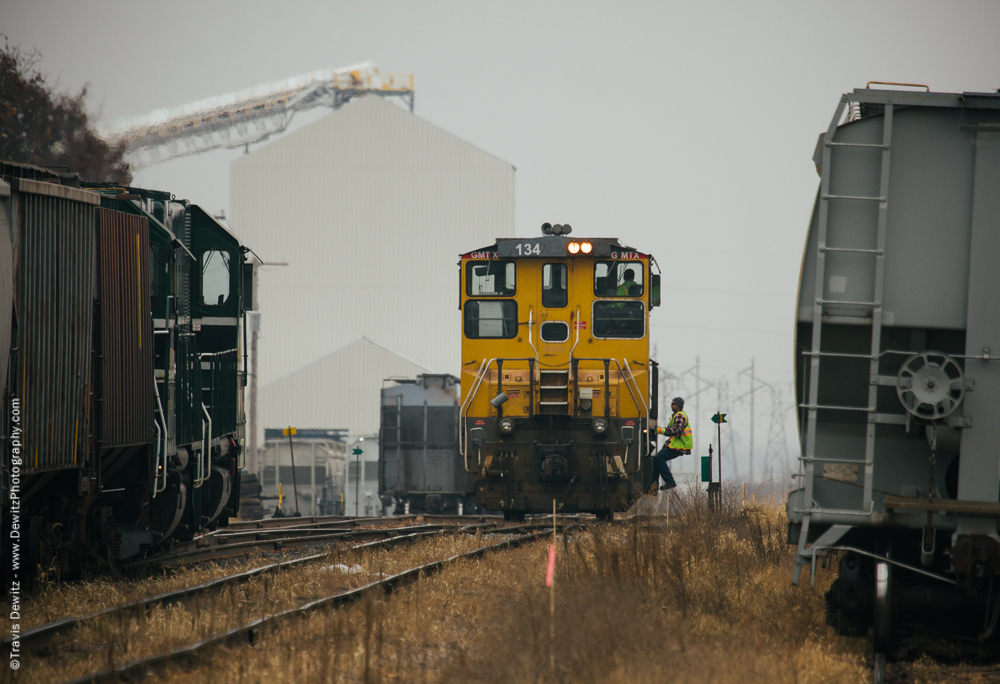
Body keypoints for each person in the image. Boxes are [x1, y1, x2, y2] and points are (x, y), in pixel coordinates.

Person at [650, 397, 692, 492]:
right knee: (656, 460)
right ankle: (653, 487)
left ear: (678, 405)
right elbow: (670, 430)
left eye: (673, 403)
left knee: (659, 458)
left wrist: (660, 430)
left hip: (679, 446)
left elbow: (676, 431)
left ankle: (669, 481)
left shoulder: (680, 416)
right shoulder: (675, 416)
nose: (671, 405)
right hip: (674, 445)